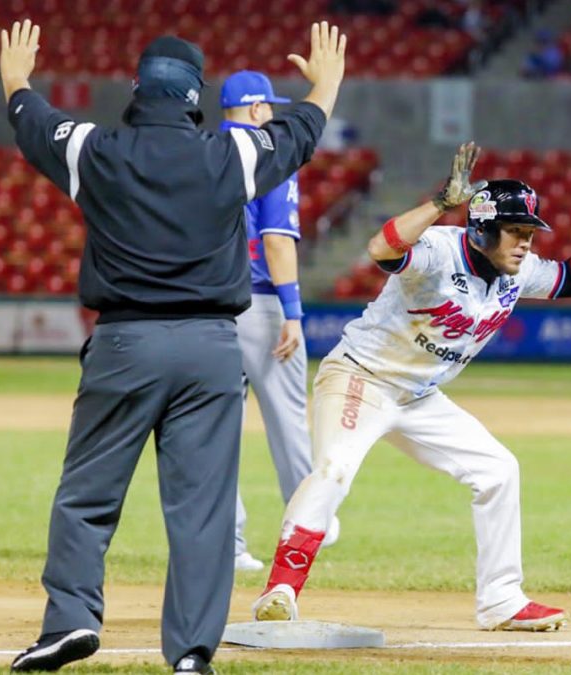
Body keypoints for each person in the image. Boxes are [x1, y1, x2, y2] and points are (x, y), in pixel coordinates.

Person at [1, 19, 346, 674]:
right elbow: (297, 135)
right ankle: (189, 653)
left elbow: (35, 123)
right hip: (212, 350)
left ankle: (71, 619)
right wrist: (324, 87)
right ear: (196, 95)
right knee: (203, 511)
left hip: (124, 343)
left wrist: (16, 79)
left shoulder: (96, 149)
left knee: (87, 495)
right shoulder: (231, 154)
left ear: (137, 89)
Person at [249, 143, 571, 632]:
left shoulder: (515, 273)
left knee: (498, 470)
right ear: (482, 228)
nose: (526, 243)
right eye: (515, 231)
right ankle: (280, 589)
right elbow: (381, 248)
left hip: (419, 396)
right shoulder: (439, 249)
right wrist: (437, 204)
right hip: (361, 378)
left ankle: (501, 601)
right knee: (333, 468)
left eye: (530, 233)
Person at [217, 70, 340, 573]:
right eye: (267, 107)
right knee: (288, 421)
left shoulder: (202, 151)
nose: (271, 114)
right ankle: (311, 523)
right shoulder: (270, 154)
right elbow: (276, 240)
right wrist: (293, 312)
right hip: (261, 302)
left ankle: (229, 545)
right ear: (252, 109)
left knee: (216, 431)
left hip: (208, 306)